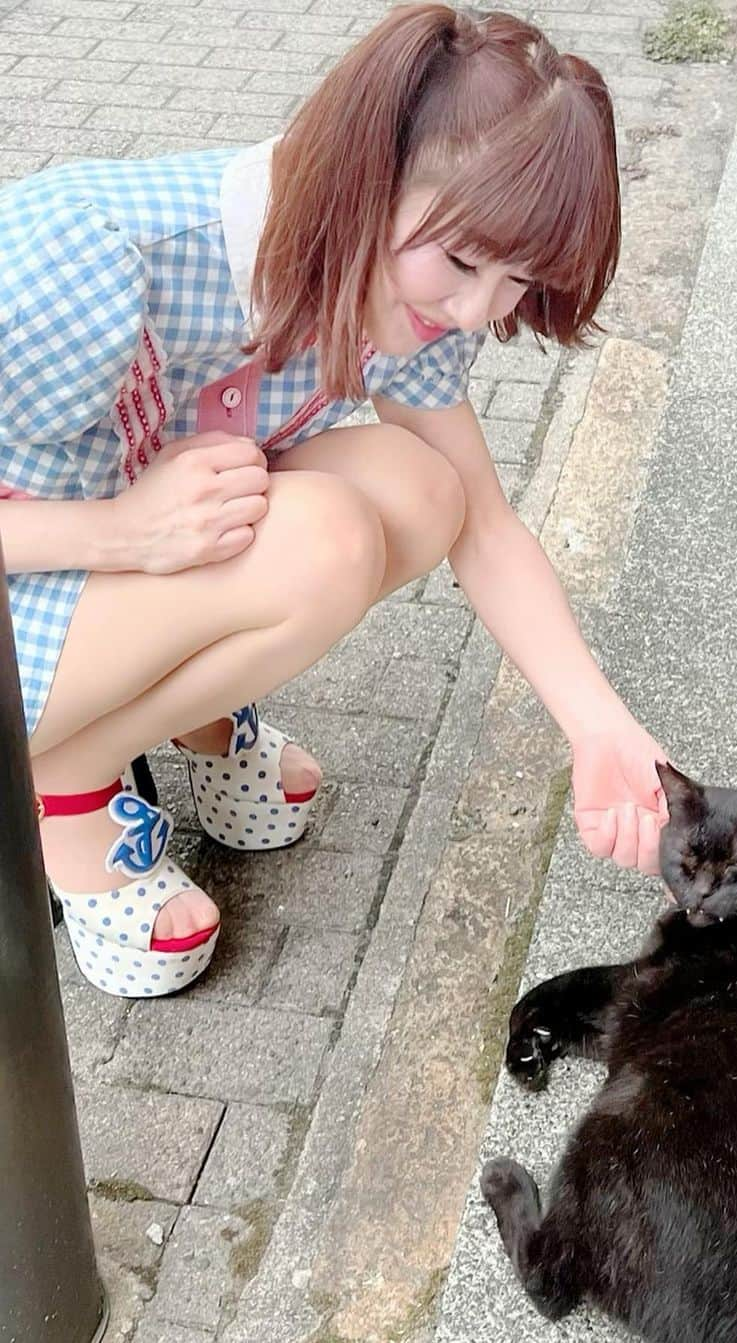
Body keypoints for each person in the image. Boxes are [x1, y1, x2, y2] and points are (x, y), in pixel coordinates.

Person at [0, 3, 668, 999]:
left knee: (418, 488)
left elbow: (481, 521)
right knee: (323, 537)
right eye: (464, 262)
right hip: (45, 575)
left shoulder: (393, 278)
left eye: (517, 278)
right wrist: (118, 528)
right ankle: (67, 791)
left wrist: (599, 722)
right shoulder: (82, 261)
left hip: (94, 582)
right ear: (367, 173)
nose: (479, 310)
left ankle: (186, 716)